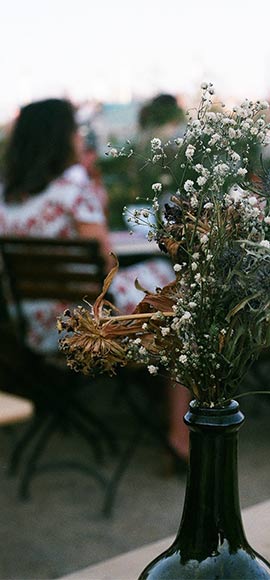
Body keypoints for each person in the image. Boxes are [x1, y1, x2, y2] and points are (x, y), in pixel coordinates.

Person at [0, 98, 188, 460]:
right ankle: (180, 433)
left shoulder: (6, 197)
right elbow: (105, 263)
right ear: (61, 137)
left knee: (161, 295)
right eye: (74, 130)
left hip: (37, 332)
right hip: (90, 327)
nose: (79, 137)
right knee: (178, 295)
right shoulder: (73, 184)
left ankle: (161, 406)